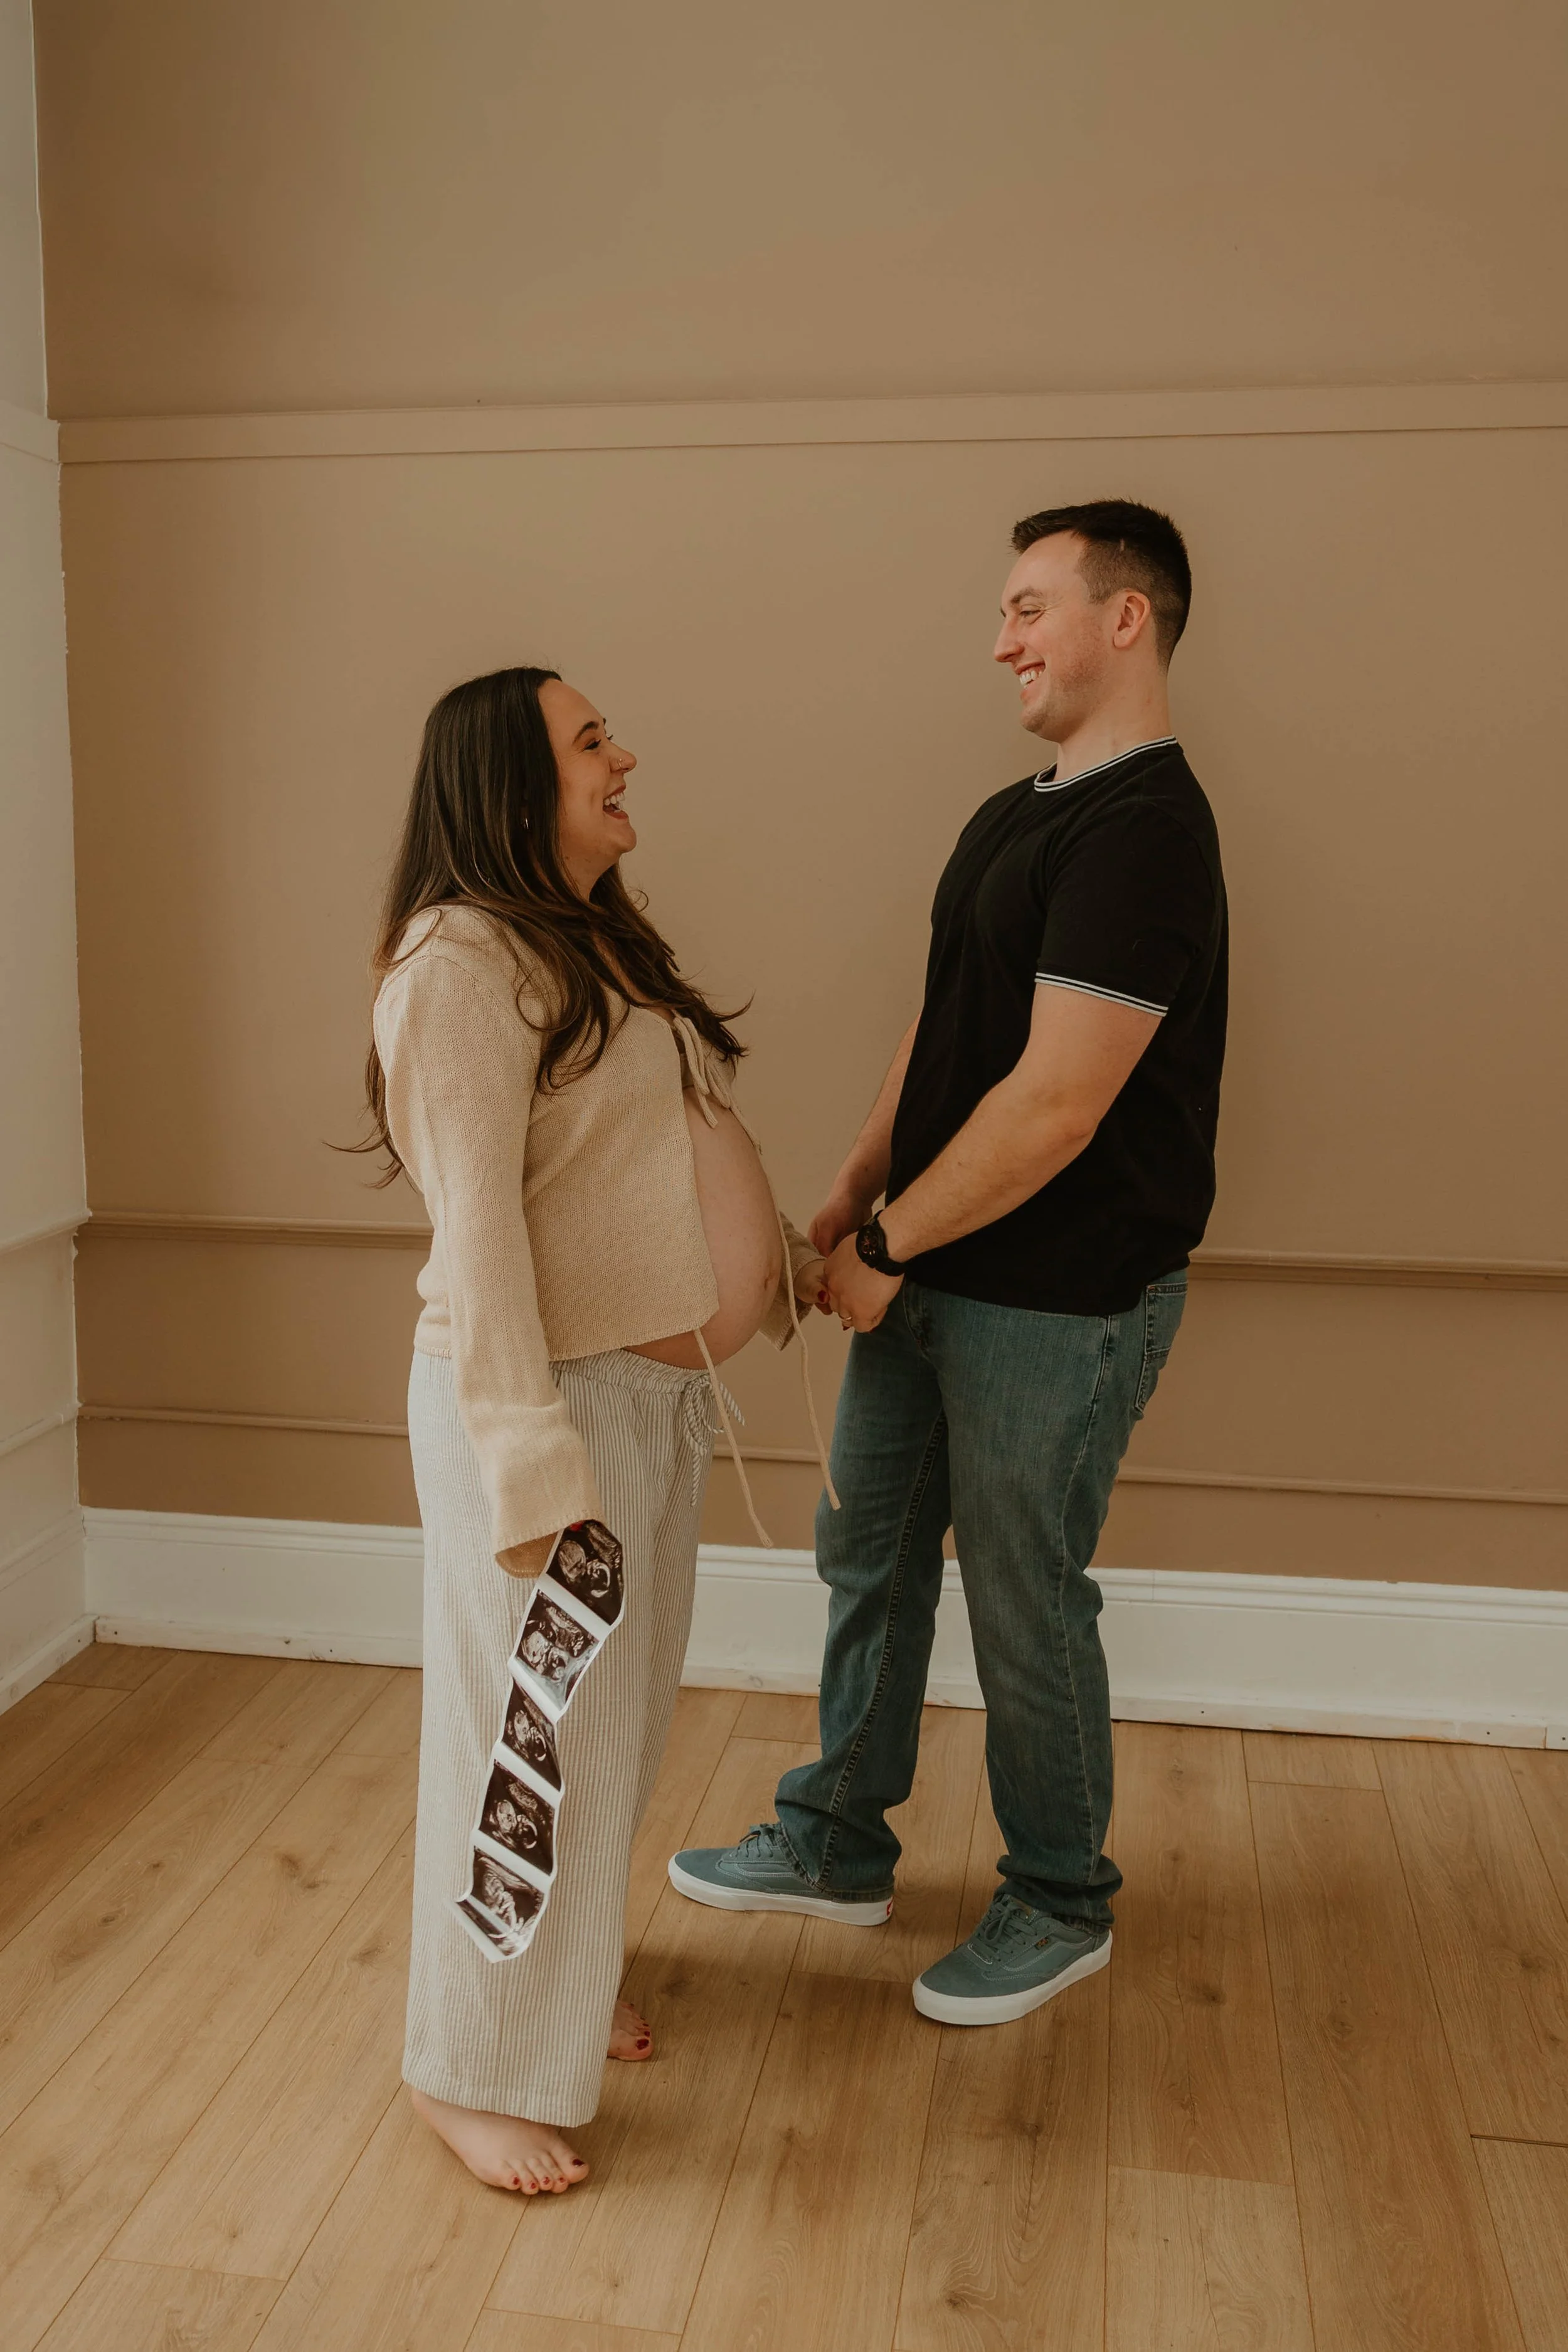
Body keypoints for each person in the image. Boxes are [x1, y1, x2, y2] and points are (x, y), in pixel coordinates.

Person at [671, 500, 1227, 2026]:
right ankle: (837, 1839)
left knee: (1023, 1593)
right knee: (866, 1549)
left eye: (1028, 607)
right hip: (924, 1267)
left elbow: (1056, 1101)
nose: (1001, 640)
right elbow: (943, 1034)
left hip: (1060, 1298)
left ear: (1125, 619)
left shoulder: (1147, 834)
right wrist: (852, 1199)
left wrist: (891, 1247)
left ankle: (1058, 1900)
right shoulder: (1013, 814)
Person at [363, 665, 830, 2193]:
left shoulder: (583, 947)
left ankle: (548, 1992)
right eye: (587, 742)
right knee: (524, 1747)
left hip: (644, 1406)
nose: (623, 755)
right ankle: (467, 2068)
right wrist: (533, 1472)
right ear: (510, 786)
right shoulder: (454, 968)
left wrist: (793, 1269)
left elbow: (664, 1157)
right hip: (546, 1415)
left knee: (601, 1737)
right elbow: (482, 1245)